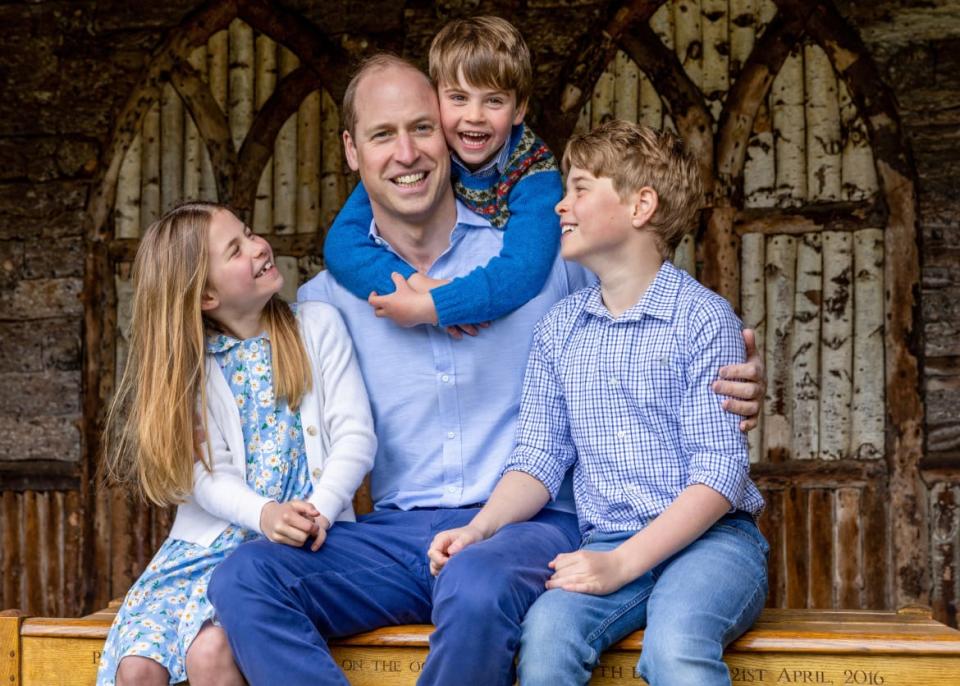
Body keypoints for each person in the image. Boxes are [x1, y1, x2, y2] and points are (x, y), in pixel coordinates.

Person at [209, 57, 764, 686]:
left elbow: (648, 312)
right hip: (399, 536)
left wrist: (740, 372)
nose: (407, 152)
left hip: (532, 527)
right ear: (352, 151)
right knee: (246, 577)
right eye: (382, 135)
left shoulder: (543, 261)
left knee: (475, 583)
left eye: (422, 128)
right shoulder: (323, 303)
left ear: (448, 136)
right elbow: (233, 361)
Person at [428, 120, 769, 686]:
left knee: (675, 646)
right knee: (546, 639)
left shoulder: (702, 319)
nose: (562, 205)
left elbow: (720, 472)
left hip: (714, 544)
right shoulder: (559, 330)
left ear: (641, 206)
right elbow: (538, 458)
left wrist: (622, 565)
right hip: (608, 539)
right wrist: (479, 529)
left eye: (580, 188)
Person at [96, 202, 376, 686]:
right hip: (203, 551)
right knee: (137, 668)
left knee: (211, 653)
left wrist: (319, 510)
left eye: (249, 233)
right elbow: (205, 477)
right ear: (206, 295)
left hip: (302, 542)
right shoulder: (192, 369)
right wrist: (264, 513)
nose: (259, 246)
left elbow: (355, 436)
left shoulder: (317, 326)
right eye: (236, 249)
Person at [322, 16, 561, 334]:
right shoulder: (429, 154)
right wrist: (415, 283)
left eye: (493, 101)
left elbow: (525, 270)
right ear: (435, 99)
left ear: (519, 110)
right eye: (458, 98)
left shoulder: (535, 171)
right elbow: (341, 245)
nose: (474, 117)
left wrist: (437, 305)